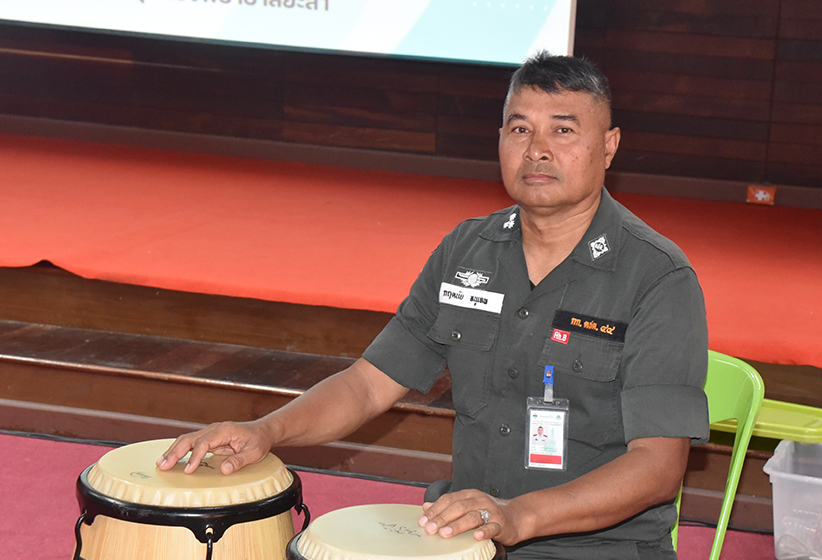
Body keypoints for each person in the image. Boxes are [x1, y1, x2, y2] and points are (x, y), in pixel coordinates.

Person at [158, 52, 709, 559]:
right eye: (520, 129)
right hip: (467, 536)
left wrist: (519, 515)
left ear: (609, 146)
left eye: (563, 130)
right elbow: (368, 384)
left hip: (599, 549)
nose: (537, 150)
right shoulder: (466, 250)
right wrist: (267, 430)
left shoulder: (657, 277)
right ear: (500, 139)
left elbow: (657, 466)